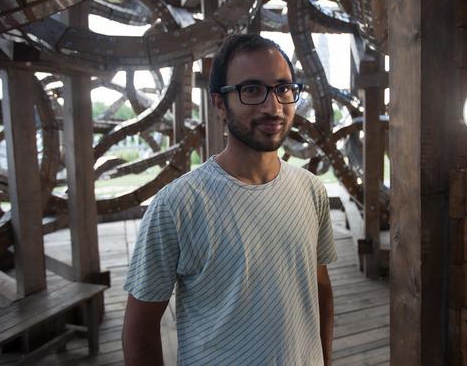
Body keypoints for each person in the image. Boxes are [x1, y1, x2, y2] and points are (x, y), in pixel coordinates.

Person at [122, 34, 337, 365]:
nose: (273, 107)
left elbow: (320, 288)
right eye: (251, 90)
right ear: (219, 103)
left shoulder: (311, 190)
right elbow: (140, 331)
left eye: (283, 88)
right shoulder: (177, 205)